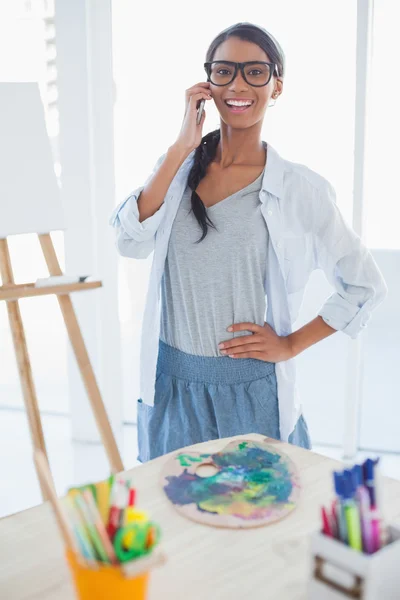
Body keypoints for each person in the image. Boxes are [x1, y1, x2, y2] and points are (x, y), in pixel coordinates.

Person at [109, 22, 387, 463]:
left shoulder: (300, 188)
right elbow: (129, 239)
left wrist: (290, 344)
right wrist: (182, 145)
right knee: (181, 523)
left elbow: (364, 286)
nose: (238, 84)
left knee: (261, 523)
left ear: (276, 86)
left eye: (255, 71)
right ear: (208, 84)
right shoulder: (177, 169)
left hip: (252, 394)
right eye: (224, 71)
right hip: (172, 387)